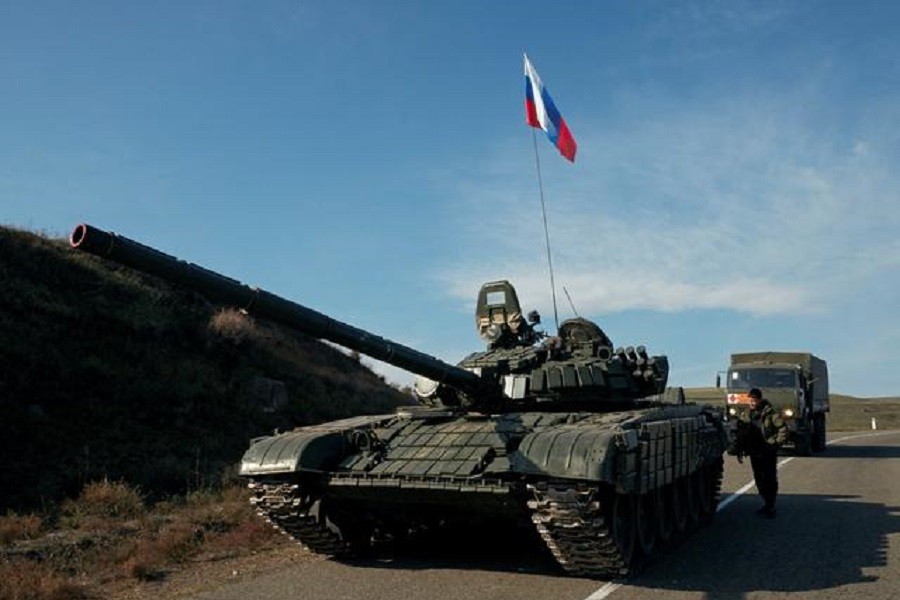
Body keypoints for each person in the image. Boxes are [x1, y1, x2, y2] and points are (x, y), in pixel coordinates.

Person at [730, 387, 787, 518]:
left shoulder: (771, 413)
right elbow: (741, 433)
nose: (752, 402)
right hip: (754, 452)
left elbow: (783, 428)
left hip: (768, 451)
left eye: (754, 400)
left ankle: (770, 505)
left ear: (759, 400)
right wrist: (739, 449)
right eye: (750, 400)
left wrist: (776, 443)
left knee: (769, 478)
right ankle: (766, 502)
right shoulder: (746, 415)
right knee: (758, 479)